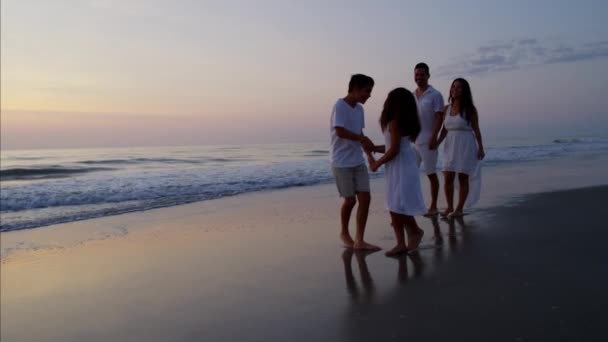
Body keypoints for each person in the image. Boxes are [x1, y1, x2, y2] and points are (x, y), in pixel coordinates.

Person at [366, 88, 427, 256]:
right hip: (401, 165)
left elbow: (394, 150)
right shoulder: (399, 122)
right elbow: (391, 146)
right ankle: (402, 240)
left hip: (401, 165)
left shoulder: (394, 122)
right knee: (396, 204)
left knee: (398, 204)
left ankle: (413, 232)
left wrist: (377, 163)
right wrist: (374, 149)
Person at [330, 74, 380, 251]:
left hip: (357, 160)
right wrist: (360, 137)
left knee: (365, 199)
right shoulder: (340, 106)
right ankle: (344, 232)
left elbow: (360, 135)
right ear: (356, 89)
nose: (369, 95)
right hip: (341, 162)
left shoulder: (359, 109)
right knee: (350, 200)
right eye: (367, 91)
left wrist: (370, 156)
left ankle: (359, 240)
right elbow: (340, 131)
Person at [436, 78, 485, 217]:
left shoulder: (470, 109)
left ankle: (459, 209)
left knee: (463, 177)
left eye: (458, 87)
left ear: (464, 91)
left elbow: (476, 129)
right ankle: (449, 207)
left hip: (466, 144)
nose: (454, 89)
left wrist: (481, 147)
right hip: (450, 145)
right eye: (453, 87)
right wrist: (437, 143)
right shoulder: (447, 108)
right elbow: (444, 130)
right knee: (447, 177)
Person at [412, 63, 445, 216]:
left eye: (422, 75)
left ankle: (433, 206)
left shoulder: (435, 94)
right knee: (410, 173)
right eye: (416, 75)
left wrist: (434, 137)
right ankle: (411, 204)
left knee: (431, 174)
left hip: (428, 141)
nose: (419, 77)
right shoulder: (412, 95)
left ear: (428, 75)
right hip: (414, 142)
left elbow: (439, 117)